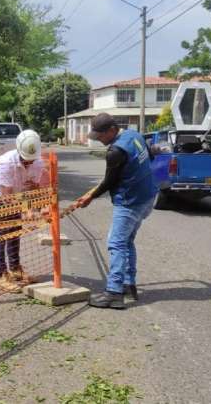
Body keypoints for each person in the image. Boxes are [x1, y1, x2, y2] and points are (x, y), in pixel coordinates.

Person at [76, 113, 157, 309]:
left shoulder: (115, 151)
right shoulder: (134, 135)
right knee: (127, 240)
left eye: (101, 135)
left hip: (130, 200)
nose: (99, 140)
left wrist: (90, 196)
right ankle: (128, 284)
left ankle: (114, 292)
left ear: (112, 129)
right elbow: (151, 155)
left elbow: (108, 182)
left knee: (116, 243)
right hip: (147, 196)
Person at [0, 129, 48, 293]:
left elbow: (34, 187)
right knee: (2, 234)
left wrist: (35, 208)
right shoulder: (5, 163)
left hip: (15, 193)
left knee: (15, 231)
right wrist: (24, 210)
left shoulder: (38, 162)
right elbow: (6, 195)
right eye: (26, 160)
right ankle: (1, 275)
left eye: (31, 161)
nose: (29, 164)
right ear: (19, 150)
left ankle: (15, 269)